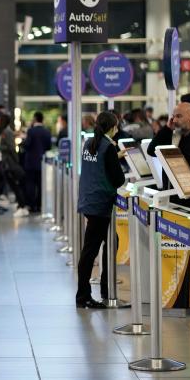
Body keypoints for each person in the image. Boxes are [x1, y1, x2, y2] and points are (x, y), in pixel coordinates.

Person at [76, 111, 126, 309]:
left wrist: (115, 155)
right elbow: (118, 179)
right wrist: (116, 156)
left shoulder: (90, 143)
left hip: (89, 199)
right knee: (90, 250)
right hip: (100, 204)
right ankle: (84, 296)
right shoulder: (107, 147)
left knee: (109, 242)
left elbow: (98, 164)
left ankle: (106, 287)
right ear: (113, 128)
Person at [0, 113, 28, 216]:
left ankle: (22, 206)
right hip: (4, 164)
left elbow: (11, 148)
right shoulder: (3, 132)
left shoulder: (7, 132)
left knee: (13, 186)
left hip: (8, 164)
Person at [22, 111, 52, 213]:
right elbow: (49, 146)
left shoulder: (31, 131)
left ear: (35, 119)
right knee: (40, 185)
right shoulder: (47, 131)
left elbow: (27, 145)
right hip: (41, 162)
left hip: (30, 162)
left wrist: (23, 141)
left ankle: (31, 206)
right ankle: (39, 205)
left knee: (30, 184)